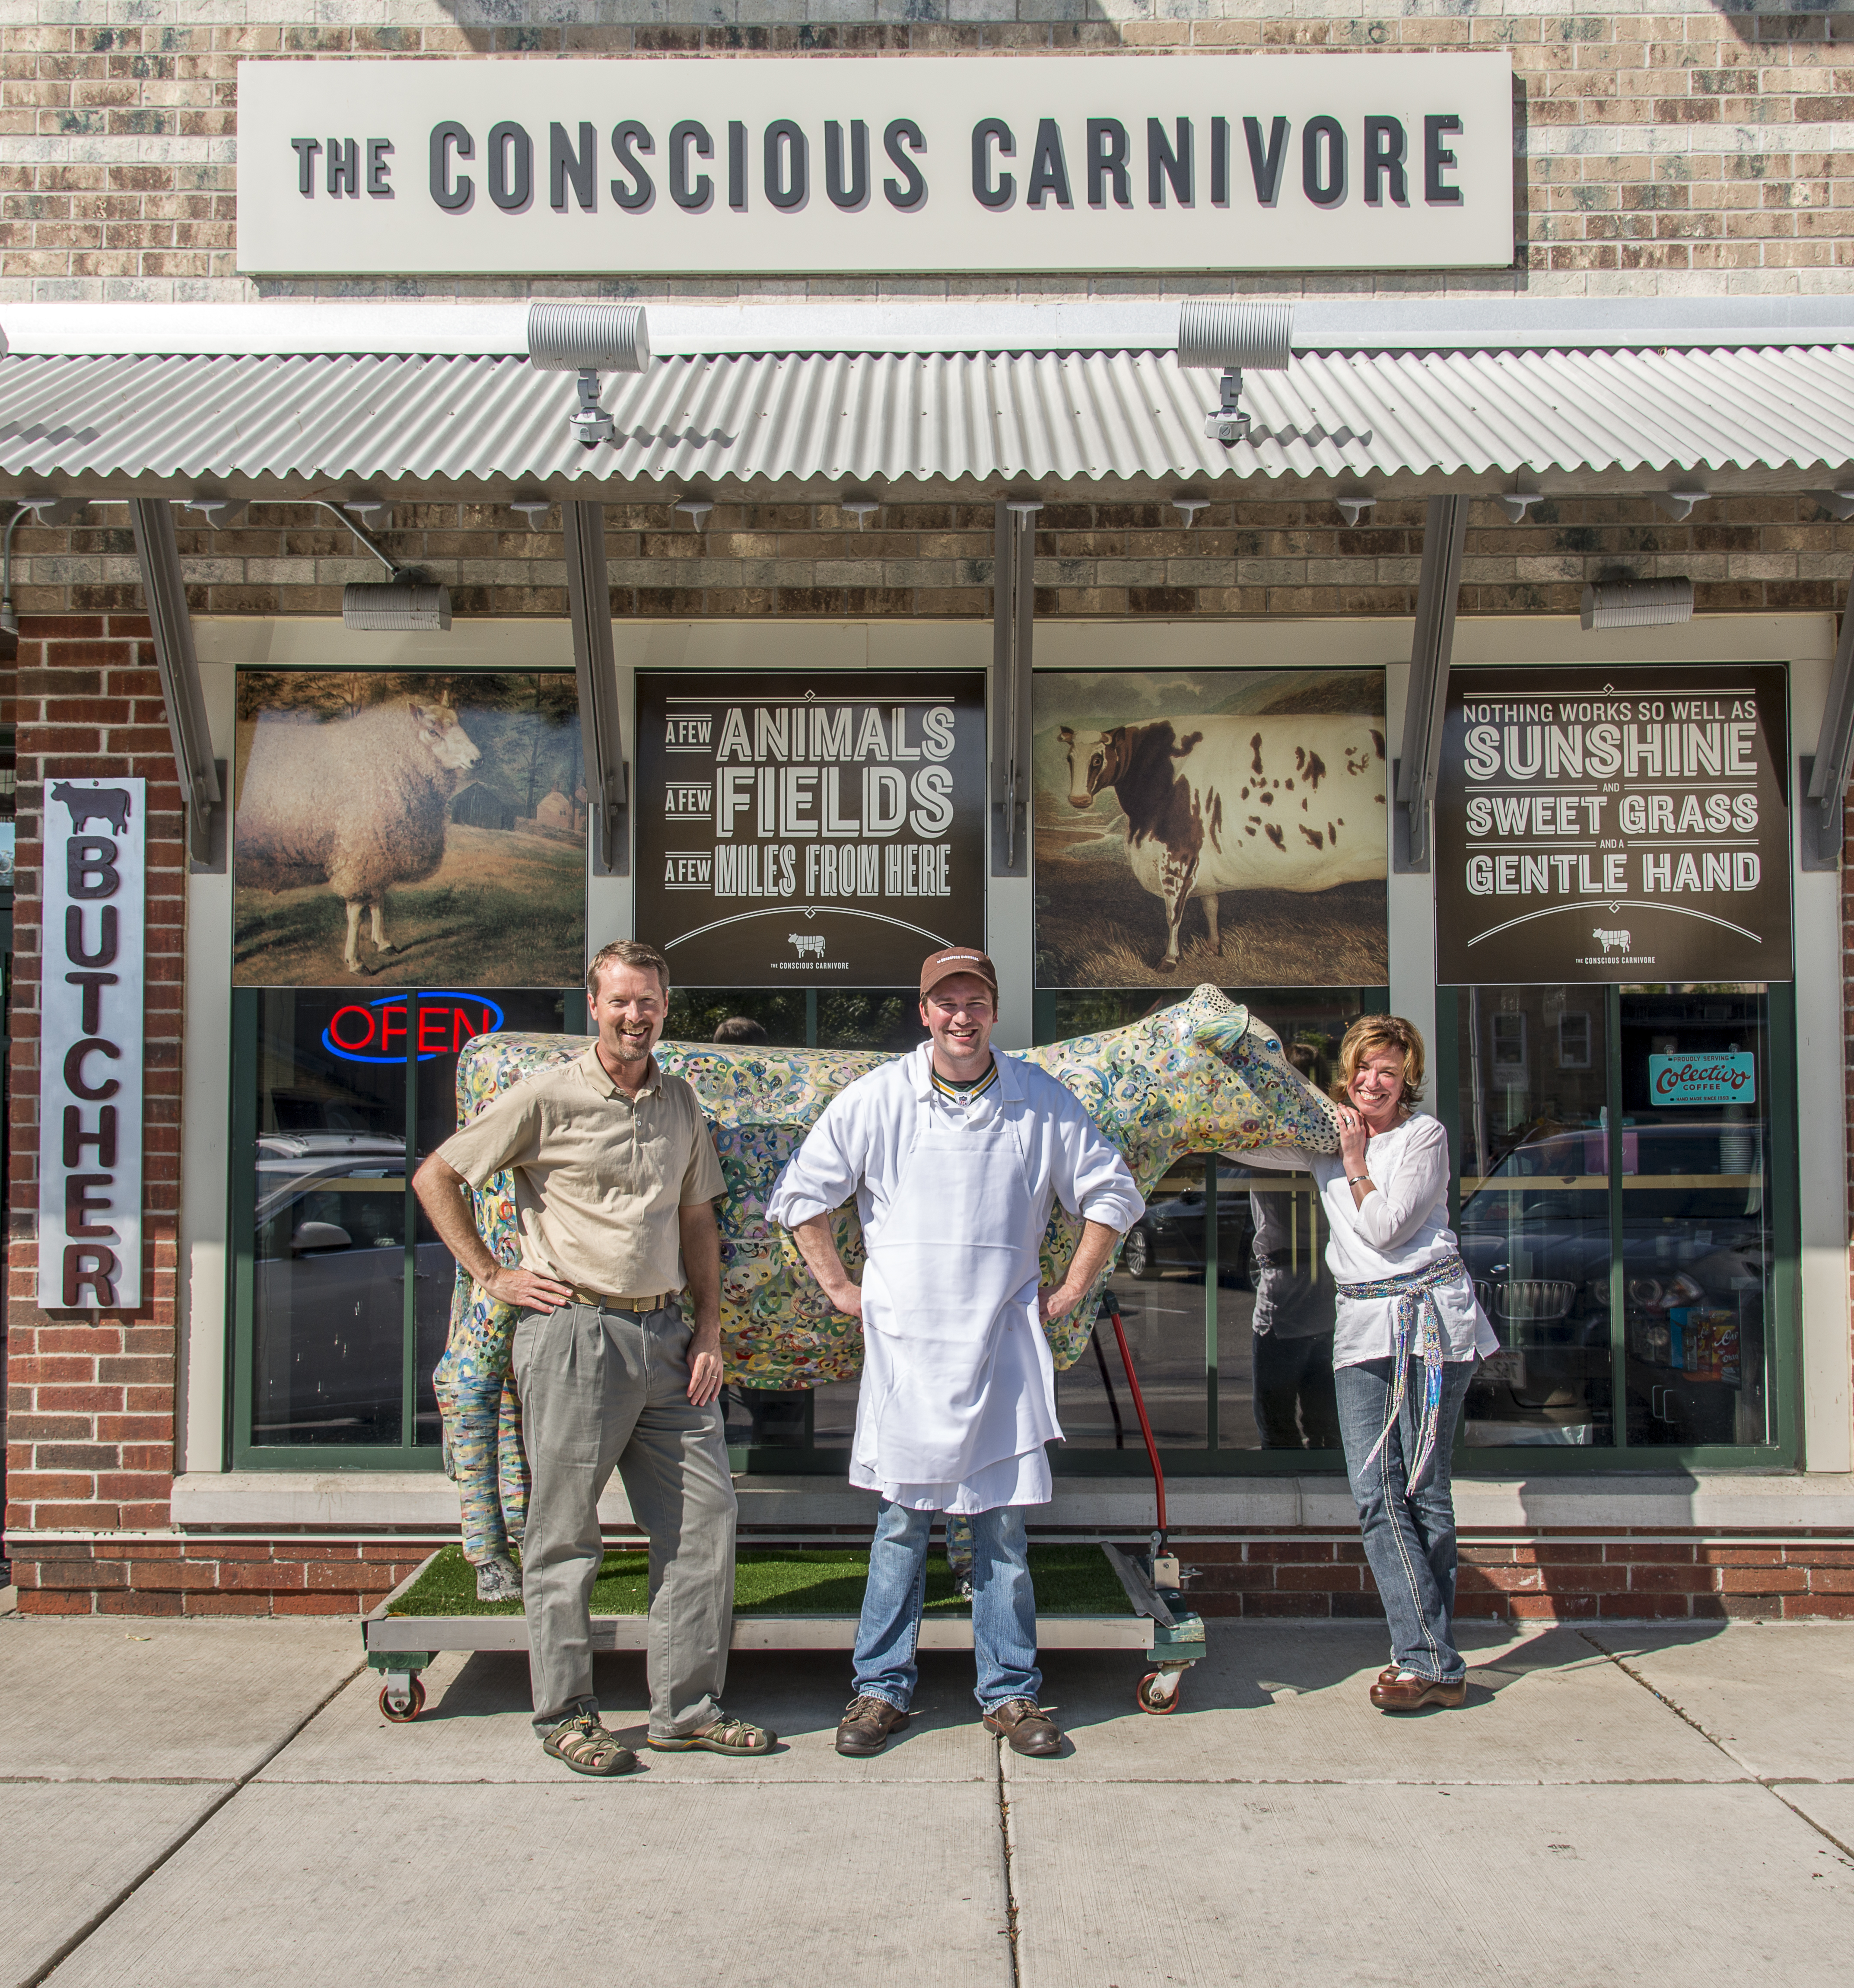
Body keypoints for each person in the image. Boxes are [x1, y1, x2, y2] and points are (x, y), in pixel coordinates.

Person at [766, 945, 1144, 1759]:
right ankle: (880, 1690)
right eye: (947, 1003)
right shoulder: (877, 1100)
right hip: (907, 1354)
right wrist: (841, 1290)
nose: (961, 1017)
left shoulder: (1039, 1102)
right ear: (924, 1011)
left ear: (993, 1010)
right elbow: (803, 1195)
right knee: (901, 1526)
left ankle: (1010, 1694)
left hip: (1001, 1347)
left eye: (975, 1002)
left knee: (1001, 1533)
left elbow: (1111, 1191)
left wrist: (1073, 1285)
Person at [413, 938, 774, 1776]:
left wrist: (710, 1327)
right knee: (565, 1533)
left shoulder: (681, 1101)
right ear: (594, 1005)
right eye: (620, 1001)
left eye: (648, 1001)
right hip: (573, 1332)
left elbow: (696, 1225)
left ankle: (685, 1709)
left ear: (665, 1005)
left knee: (703, 1518)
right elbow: (439, 1175)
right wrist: (493, 1274)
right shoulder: (545, 1097)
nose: (635, 1016)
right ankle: (567, 1713)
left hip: (667, 1341)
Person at [1243, 1014, 1496, 1711]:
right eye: (1362, 1069)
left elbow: (1386, 1228)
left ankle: (1421, 1661)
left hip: (1429, 1326)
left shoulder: (1423, 1137)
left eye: (1388, 1071)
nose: (1372, 1082)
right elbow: (1250, 1149)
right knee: (1372, 1491)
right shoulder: (1330, 1139)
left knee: (1424, 1492)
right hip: (1360, 1325)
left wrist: (1353, 1162)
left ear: (1406, 1078)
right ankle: (1432, 1659)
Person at [1246, 1042, 1340, 1450]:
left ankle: (1285, 1478)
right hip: (1330, 1284)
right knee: (1327, 1414)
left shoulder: (1270, 1140)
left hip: (1286, 1291)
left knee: (1276, 1415)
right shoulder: (1334, 1138)